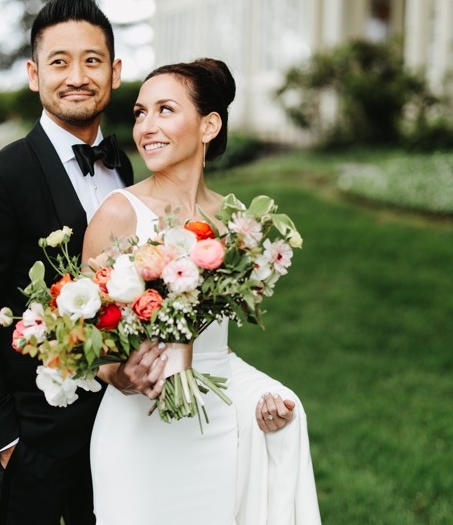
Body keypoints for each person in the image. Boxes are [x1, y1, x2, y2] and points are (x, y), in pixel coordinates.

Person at [83, 58, 321, 524]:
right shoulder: (119, 213)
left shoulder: (236, 224)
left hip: (213, 433)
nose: (146, 127)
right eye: (139, 113)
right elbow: (87, 346)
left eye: (164, 110)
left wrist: (263, 397)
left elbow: (216, 349)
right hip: (136, 439)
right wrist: (120, 375)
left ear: (209, 124)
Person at [0, 0, 139, 525]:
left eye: (92, 60)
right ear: (34, 74)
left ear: (115, 72)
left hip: (122, 428)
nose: (78, 75)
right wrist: (1, 436)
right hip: (34, 438)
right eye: (60, 61)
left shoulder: (123, 171)